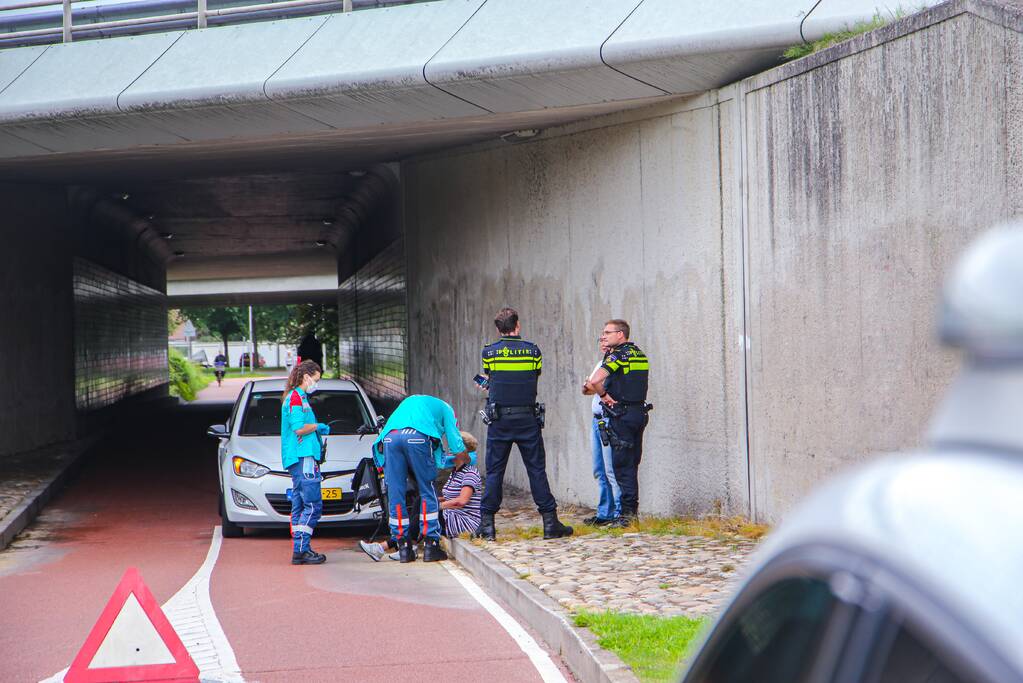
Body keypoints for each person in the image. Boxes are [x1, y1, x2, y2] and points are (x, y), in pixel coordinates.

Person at [474, 308, 573, 542]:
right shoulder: (533, 351)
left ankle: (487, 525)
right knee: (536, 470)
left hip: (499, 420)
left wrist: (493, 384)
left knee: (495, 471)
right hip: (528, 419)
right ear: (517, 325)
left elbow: (493, 376)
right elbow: (532, 376)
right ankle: (550, 522)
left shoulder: (489, 352)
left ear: (498, 329)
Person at [373, 394, 468, 562]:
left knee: (396, 493)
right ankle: (431, 545)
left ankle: (404, 547)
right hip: (417, 438)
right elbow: (456, 443)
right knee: (427, 490)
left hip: (389, 438)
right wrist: (464, 460)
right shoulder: (447, 409)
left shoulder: (410, 402)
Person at [358, 432, 482, 561]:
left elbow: (462, 501)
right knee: (420, 501)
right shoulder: (456, 472)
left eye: (452, 446)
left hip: (464, 521)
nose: (449, 450)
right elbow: (450, 497)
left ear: (462, 450)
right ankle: (404, 546)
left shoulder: (470, 473)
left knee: (423, 516)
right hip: (451, 515)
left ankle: (389, 547)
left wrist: (436, 506)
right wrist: (433, 502)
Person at [583, 319, 650, 527]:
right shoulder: (639, 354)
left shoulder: (618, 355)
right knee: (632, 464)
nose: (604, 336)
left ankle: (626, 516)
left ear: (620, 334)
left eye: (608, 332)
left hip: (621, 415)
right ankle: (630, 513)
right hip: (639, 413)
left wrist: (603, 396)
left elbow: (594, 381)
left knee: (621, 466)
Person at [281, 360, 331, 565]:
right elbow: (299, 428)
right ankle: (301, 550)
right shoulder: (296, 398)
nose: (316, 384)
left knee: (300, 504)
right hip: (303, 457)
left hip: (301, 456)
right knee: (313, 505)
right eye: (315, 380)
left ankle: (300, 549)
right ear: (306, 377)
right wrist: (318, 426)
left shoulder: (298, 397)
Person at [583, 339, 620, 526]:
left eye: (606, 337)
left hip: (608, 420)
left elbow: (594, 385)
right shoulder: (601, 363)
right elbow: (586, 389)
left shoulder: (616, 363)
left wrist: (594, 386)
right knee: (599, 470)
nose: (603, 342)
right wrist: (592, 386)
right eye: (601, 339)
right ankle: (605, 513)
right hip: (596, 421)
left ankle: (619, 514)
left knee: (611, 470)